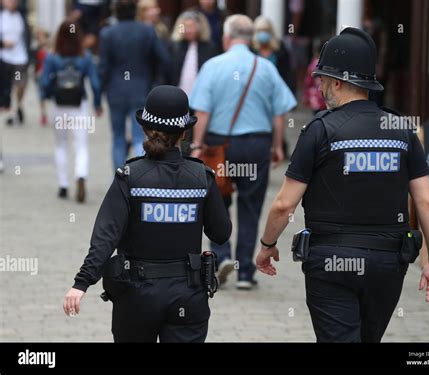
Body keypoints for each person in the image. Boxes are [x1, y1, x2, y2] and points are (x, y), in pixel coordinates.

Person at [256, 28, 429, 342]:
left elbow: (283, 204)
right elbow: (426, 202)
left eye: (321, 79)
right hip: (387, 263)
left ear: (338, 82)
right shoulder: (401, 129)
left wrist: (266, 246)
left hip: (331, 261)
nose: (318, 86)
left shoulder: (318, 130)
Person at [64, 85, 232, 343]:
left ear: (144, 129)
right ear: (184, 132)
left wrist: (81, 283)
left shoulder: (130, 177)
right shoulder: (202, 177)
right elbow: (221, 233)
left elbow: (105, 237)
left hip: (136, 297)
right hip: (187, 294)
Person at [190, 15, 296, 290]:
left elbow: (202, 110)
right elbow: (278, 112)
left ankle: (222, 257)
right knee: (250, 207)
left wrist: (197, 145)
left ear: (226, 37)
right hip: (255, 144)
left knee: (217, 203)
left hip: (219, 146)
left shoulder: (212, 66)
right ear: (250, 39)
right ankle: (246, 272)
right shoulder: (265, 68)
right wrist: (276, 145)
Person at [98, 0, 171, 170]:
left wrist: (97, 97)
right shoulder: (147, 31)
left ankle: (119, 176)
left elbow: (103, 68)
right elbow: (164, 59)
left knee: (118, 137)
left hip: (115, 91)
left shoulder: (108, 33)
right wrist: (158, 82)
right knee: (139, 136)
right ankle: (141, 176)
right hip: (141, 89)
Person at [40, 21, 102, 203]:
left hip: (59, 106)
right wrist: (98, 104)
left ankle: (63, 185)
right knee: (81, 145)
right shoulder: (85, 57)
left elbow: (44, 83)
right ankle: (81, 175)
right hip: (78, 105)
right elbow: (96, 84)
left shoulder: (52, 58)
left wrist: (47, 95)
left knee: (61, 145)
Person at [170, 11, 216, 96]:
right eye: (185, 27)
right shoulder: (174, 46)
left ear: (199, 27)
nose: (188, 30)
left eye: (192, 26)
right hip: (177, 94)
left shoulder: (209, 47)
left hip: (200, 95)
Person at [0, 0, 29, 126]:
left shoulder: (21, 15)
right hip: (4, 57)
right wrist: (2, 44)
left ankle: (18, 105)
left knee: (19, 84)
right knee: (7, 87)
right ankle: (10, 111)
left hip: (19, 58)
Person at [252, 16, 292, 90]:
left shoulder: (280, 50)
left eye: (265, 30)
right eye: (260, 30)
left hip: (276, 89)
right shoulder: (251, 50)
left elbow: (288, 74)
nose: (263, 33)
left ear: (270, 31)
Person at [302, 39, 326, 115]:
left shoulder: (314, 63)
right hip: (327, 98)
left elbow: (308, 82)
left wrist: (306, 96)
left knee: (317, 118)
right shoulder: (331, 65)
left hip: (316, 99)